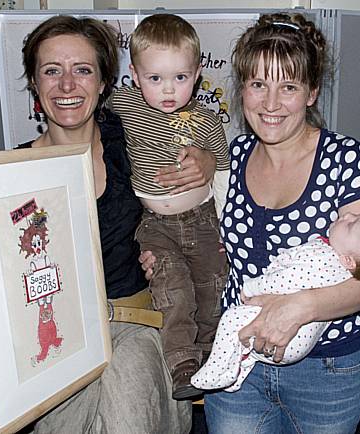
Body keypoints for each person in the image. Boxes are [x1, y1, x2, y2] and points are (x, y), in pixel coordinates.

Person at [0, 16, 217, 433]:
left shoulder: (137, 142)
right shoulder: (7, 179)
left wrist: (208, 163)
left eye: (83, 70)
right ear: (35, 84)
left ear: (105, 82)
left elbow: (208, 162)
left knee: (130, 409)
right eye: (52, 71)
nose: (67, 85)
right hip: (59, 340)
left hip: (137, 324)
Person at [200, 12, 360, 433]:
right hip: (238, 362)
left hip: (325, 369)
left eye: (288, 86)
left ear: (312, 92)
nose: (270, 103)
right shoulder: (232, 157)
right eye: (258, 85)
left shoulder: (348, 163)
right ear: (242, 89)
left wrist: (300, 309)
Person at [109, 13, 230, 400]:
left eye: (180, 77)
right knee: (172, 290)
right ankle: (181, 363)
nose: (168, 90)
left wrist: (228, 226)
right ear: (135, 74)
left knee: (214, 287)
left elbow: (224, 171)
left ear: (196, 74)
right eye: (155, 78)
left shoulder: (207, 121)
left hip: (204, 219)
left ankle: (214, 352)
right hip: (156, 224)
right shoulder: (125, 105)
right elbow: (90, 95)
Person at [191, 211, 360, 392]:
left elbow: (285, 280)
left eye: (351, 224)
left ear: (347, 259)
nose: (348, 215)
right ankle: (239, 372)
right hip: (302, 341)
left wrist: (253, 287)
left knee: (232, 320)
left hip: (290, 335)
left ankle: (216, 370)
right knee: (250, 347)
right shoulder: (353, 273)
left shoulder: (322, 258)